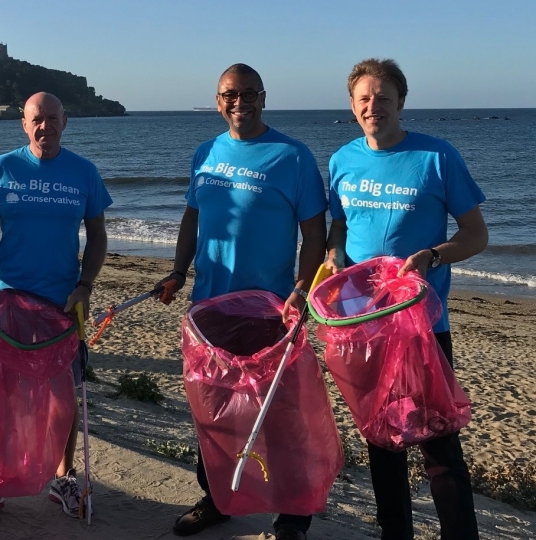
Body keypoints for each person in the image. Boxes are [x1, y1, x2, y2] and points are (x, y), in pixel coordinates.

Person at [161, 64, 328, 540]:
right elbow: (192, 218)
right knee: (215, 408)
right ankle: (218, 499)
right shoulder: (205, 152)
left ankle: (293, 514)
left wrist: (301, 289)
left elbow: (313, 232)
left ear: (263, 97)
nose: (240, 101)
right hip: (209, 307)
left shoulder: (292, 157)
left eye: (249, 93)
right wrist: (177, 270)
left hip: (271, 309)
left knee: (278, 413)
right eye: (230, 94)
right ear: (218, 100)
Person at [326, 58, 488, 540]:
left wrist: (435, 255)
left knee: (439, 445)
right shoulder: (341, 161)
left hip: (422, 327)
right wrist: (335, 254)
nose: (373, 105)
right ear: (352, 105)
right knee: (382, 439)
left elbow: (476, 235)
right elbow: (338, 226)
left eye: (383, 96)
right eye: (364, 98)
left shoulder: (437, 157)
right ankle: (395, 533)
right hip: (363, 326)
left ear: (401, 101)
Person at [0, 91, 111, 529]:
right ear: (24, 126)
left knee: (64, 397)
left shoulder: (83, 172)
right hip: (8, 302)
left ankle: (63, 479)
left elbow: (98, 235)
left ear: (65, 121)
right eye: (35, 120)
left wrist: (85, 286)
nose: (44, 126)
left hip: (64, 305)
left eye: (52, 118)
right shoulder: (2, 168)